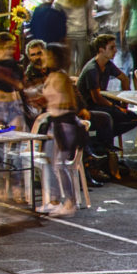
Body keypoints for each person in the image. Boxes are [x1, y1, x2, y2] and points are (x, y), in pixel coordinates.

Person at [76, 34, 137, 157]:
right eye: (112, 48)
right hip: (88, 107)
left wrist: (124, 104)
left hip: (100, 104)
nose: (115, 50)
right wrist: (116, 107)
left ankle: (102, 142)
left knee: (134, 118)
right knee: (119, 116)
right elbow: (96, 98)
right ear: (101, 50)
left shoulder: (107, 64)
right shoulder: (92, 69)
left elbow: (124, 78)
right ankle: (103, 146)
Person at [34, 72, 90, 217]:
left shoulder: (59, 79)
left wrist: (42, 98)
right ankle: (54, 201)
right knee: (48, 163)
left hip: (64, 126)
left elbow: (56, 100)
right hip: (55, 125)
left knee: (60, 165)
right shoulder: (53, 77)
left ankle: (70, 203)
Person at [56, 0, 97, 73]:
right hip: (82, 34)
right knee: (83, 64)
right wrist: (93, 31)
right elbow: (89, 18)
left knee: (69, 63)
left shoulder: (60, 0)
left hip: (67, 35)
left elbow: (59, 19)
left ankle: (70, 80)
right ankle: (80, 80)